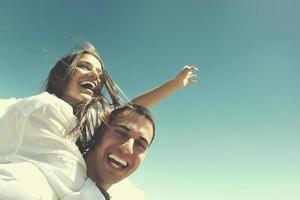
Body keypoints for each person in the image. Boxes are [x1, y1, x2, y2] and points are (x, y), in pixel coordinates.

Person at [0, 41, 198, 199]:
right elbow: (65, 177)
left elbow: (128, 112)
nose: (95, 75)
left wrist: (174, 85)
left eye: (99, 74)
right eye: (85, 66)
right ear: (62, 74)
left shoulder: (89, 120)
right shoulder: (44, 107)